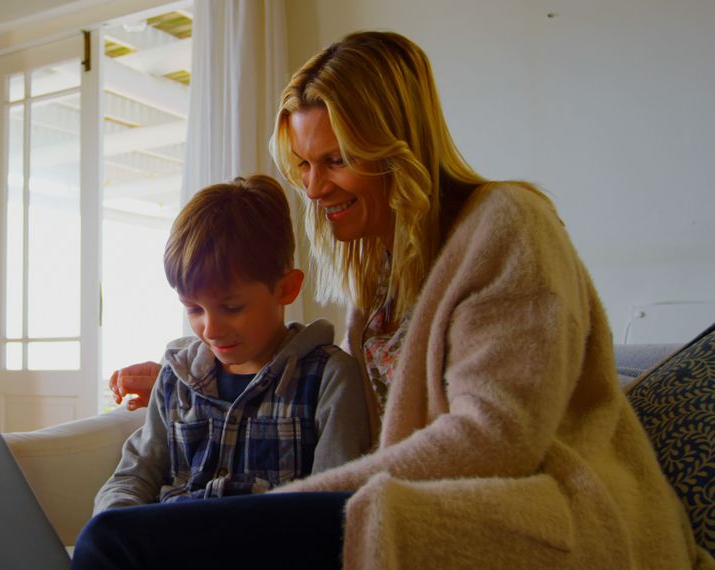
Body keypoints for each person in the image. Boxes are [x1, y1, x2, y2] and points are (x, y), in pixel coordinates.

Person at [76, 31, 712, 569]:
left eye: (338, 159)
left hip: (548, 511)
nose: (314, 187)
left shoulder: (510, 225)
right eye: (302, 163)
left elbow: (495, 440)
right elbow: (382, 435)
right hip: (414, 504)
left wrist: (279, 511)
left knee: (117, 544)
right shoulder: (379, 281)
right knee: (119, 536)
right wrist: (201, 379)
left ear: (396, 146)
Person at [94, 175, 372, 512]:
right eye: (194, 309)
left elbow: (333, 502)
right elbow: (133, 475)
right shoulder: (175, 379)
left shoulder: (329, 378)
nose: (210, 329)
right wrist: (114, 524)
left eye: (232, 308)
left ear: (286, 289)